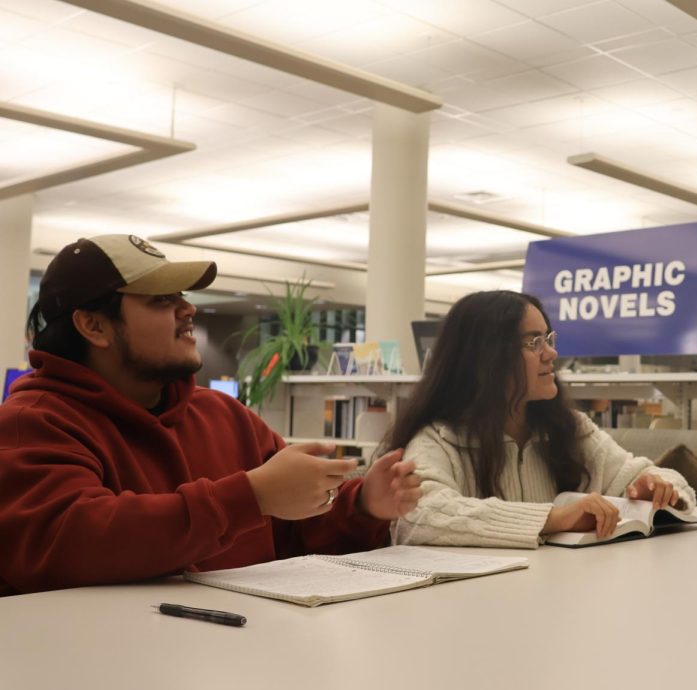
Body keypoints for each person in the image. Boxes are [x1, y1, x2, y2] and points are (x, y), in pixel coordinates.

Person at [0, 234, 421, 596]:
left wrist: (362, 505)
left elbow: (294, 530)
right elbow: (71, 543)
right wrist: (248, 498)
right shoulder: (32, 423)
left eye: (183, 296)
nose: (188, 310)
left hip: (234, 664)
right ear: (94, 326)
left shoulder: (223, 414)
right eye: (162, 300)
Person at [383, 290, 696, 549]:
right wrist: (555, 518)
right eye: (533, 343)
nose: (551, 354)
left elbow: (652, 476)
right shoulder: (437, 439)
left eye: (548, 338)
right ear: (485, 358)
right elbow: (418, 516)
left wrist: (658, 488)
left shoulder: (569, 428)